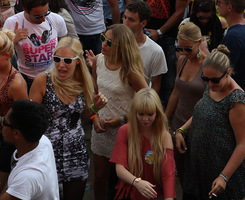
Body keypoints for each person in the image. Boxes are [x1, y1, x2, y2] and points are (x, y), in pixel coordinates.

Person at [29, 37, 107, 200]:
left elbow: (83, 115)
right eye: (57, 59)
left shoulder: (83, 82)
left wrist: (95, 108)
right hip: (47, 155)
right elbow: (31, 119)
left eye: (67, 60)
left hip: (75, 153)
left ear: (78, 61)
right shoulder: (43, 80)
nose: (61, 65)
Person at [175, 45, 245, 199]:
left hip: (221, 173)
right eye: (205, 79)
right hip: (199, 169)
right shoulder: (212, 85)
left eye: (214, 80)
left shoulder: (237, 100)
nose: (209, 84)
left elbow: (243, 143)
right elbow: (203, 111)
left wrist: (224, 176)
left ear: (227, 73)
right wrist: (181, 130)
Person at [90, 24, 148, 200]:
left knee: (125, 181)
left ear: (122, 47)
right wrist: (94, 116)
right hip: (101, 129)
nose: (104, 44)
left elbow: (150, 105)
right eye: (103, 38)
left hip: (125, 131)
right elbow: (94, 93)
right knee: (99, 177)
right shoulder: (98, 60)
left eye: (109, 42)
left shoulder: (131, 72)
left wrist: (123, 119)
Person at [110, 88, 176, 200]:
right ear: (135, 112)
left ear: (157, 113)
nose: (145, 119)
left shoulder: (164, 136)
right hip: (131, 191)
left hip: (154, 193)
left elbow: (168, 174)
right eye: (141, 114)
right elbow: (119, 168)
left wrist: (168, 198)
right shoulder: (125, 131)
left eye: (150, 114)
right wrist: (136, 182)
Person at [165, 22, 206, 186]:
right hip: (178, 124)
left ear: (200, 42)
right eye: (180, 48)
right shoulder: (182, 60)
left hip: (199, 128)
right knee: (181, 173)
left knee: (199, 177)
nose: (184, 52)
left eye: (188, 48)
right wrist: (165, 119)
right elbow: (176, 92)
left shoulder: (209, 65)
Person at [0, 99, 59, 200]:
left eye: (4, 120)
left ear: (16, 133)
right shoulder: (42, 141)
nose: (1, 123)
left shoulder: (27, 178)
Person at [3, 0, 67, 90]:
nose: (43, 19)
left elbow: (66, 47)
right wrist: (12, 40)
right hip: (26, 78)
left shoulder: (57, 19)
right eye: (38, 17)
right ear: (25, 10)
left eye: (46, 13)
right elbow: (3, 54)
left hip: (53, 77)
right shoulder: (12, 22)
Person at [144, 0, 188, 108]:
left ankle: (163, 115)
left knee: (168, 83)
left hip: (168, 37)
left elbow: (180, 12)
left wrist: (159, 32)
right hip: (146, 33)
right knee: (145, 75)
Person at [0, 28, 28, 194]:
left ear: (7, 56)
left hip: (8, 141)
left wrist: (2, 120)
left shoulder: (16, 83)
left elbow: (23, 117)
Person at [122, 0, 167, 93]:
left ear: (143, 23)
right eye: (124, 17)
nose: (125, 23)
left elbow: (156, 86)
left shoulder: (156, 51)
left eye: (131, 20)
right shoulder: (114, 42)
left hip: (138, 103)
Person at [217, 0, 245, 91]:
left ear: (229, 7)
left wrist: (205, 52)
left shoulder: (233, 37)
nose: (217, 5)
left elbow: (221, 72)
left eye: (219, 2)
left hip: (230, 94)